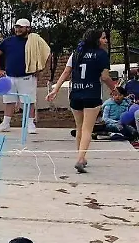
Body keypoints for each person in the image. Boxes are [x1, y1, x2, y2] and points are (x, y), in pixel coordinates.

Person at [46, 29, 116, 173]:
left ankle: (81, 157)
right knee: (87, 129)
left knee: (79, 127)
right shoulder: (102, 54)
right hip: (92, 95)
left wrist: (55, 89)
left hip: (76, 94)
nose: (106, 40)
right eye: (103, 38)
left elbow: (66, 72)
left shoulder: (76, 53)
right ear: (96, 40)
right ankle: (80, 158)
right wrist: (114, 88)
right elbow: (104, 77)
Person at [0, 19, 50, 134]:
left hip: (27, 77)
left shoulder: (35, 41)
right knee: (9, 100)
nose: (18, 29)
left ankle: (30, 124)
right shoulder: (8, 41)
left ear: (28, 28)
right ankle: (6, 123)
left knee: (28, 101)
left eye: (21, 27)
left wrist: (42, 70)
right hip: (10, 77)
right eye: (16, 27)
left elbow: (47, 54)